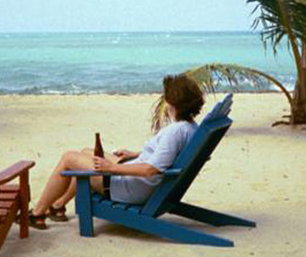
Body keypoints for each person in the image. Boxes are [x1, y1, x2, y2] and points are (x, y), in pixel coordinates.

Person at [27, 74, 205, 229]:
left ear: (172, 101)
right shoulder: (190, 128)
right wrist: (134, 154)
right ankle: (58, 206)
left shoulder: (175, 132)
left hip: (131, 187)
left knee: (69, 158)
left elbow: (150, 170)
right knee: (85, 152)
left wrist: (109, 168)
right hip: (139, 179)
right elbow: (166, 158)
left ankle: (37, 213)